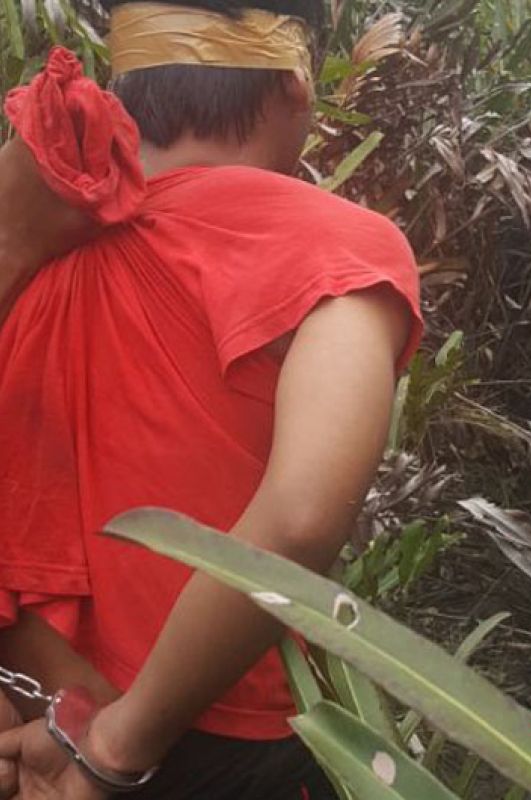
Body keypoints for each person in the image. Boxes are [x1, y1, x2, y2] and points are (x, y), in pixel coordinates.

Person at [0, 0, 423, 795]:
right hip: (199, 739)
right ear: (297, 83)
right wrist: (122, 742)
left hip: (27, 719)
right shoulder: (339, 243)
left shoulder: (29, 237)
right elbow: (299, 516)